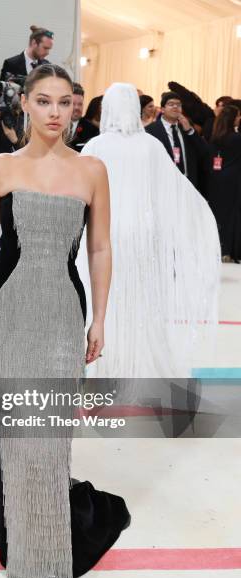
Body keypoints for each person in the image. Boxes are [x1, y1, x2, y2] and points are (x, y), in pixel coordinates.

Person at [0, 64, 130, 578]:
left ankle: (54, 543)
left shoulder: (93, 169)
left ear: (75, 107)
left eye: (65, 102)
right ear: (26, 105)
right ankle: (23, 549)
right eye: (45, 101)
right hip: (4, 312)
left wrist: (100, 317)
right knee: (14, 435)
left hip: (62, 312)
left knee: (50, 435)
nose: (56, 112)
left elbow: (99, 248)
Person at [75, 83, 221, 378]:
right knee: (143, 301)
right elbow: (178, 192)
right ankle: (142, 366)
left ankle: (106, 362)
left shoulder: (95, 146)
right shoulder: (152, 146)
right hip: (143, 237)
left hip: (104, 236)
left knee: (104, 300)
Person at [145, 91, 209, 193]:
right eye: (171, 104)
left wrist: (190, 131)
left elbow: (203, 151)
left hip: (188, 183)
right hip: (163, 184)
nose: (175, 107)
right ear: (162, 109)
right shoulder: (151, 130)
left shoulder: (186, 127)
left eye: (178, 105)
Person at [206, 104, 241, 263]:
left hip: (218, 179)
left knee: (220, 215)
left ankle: (221, 248)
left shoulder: (216, 136)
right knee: (233, 216)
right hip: (234, 179)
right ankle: (230, 249)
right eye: (238, 115)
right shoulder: (236, 138)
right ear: (233, 118)